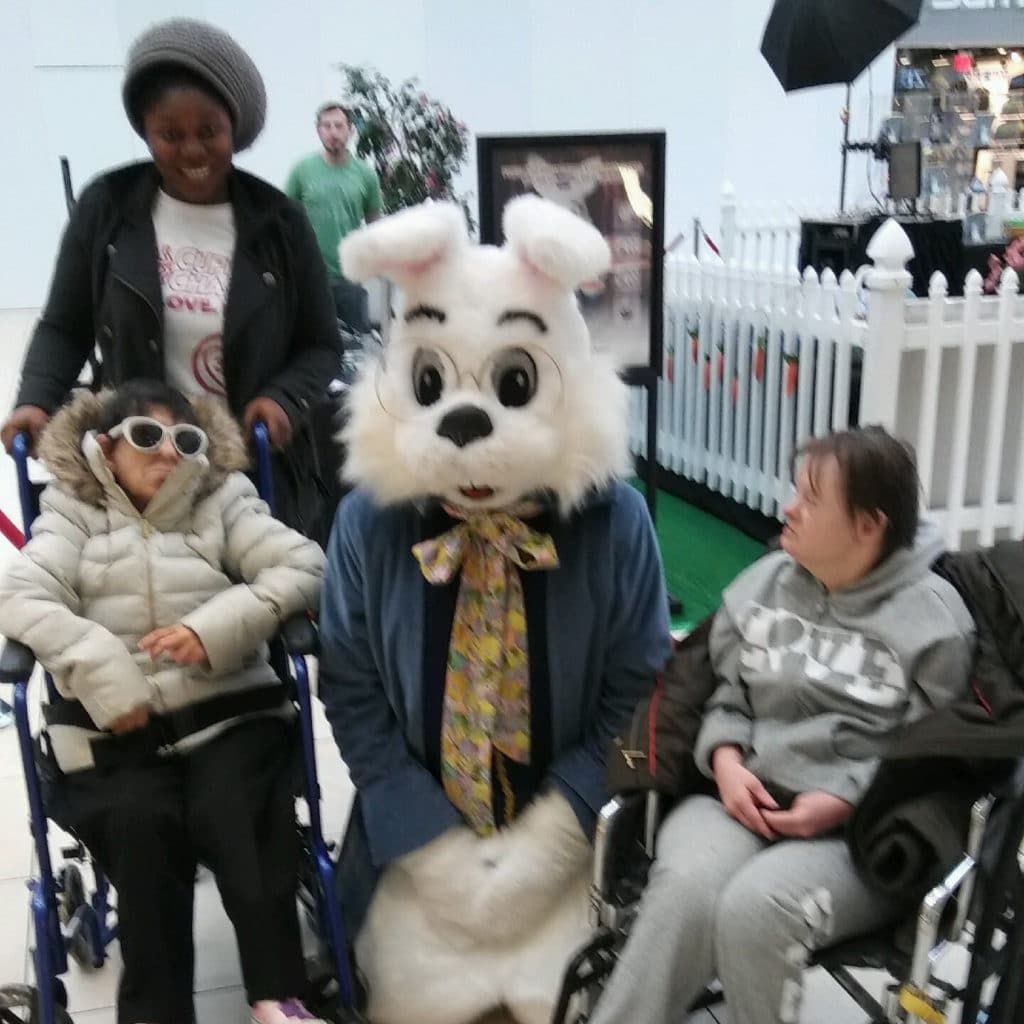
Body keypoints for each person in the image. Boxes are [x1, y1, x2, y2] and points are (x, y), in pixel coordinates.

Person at [589, 426, 976, 1024]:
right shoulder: (764, 585)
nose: (786, 509)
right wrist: (726, 763)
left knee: (756, 909)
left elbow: (930, 753)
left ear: (867, 525)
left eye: (810, 500)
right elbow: (721, 695)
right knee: (685, 893)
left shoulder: (935, 624)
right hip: (740, 794)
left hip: (859, 832)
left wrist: (844, 801)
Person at [0, 380, 327, 1024]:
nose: (167, 453)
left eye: (184, 439)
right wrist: (105, 674)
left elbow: (305, 565)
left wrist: (214, 629)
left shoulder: (224, 497)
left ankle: (277, 997)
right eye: (145, 437)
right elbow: (20, 596)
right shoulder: (71, 508)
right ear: (104, 447)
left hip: (228, 715)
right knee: (140, 831)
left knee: (240, 810)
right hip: (113, 733)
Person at [0, 18, 340, 542]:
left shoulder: (281, 224)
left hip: (248, 477)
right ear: (145, 132)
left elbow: (320, 345)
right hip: (135, 472)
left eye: (210, 131)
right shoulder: (106, 208)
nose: (193, 150)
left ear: (235, 127)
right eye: (170, 134)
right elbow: (65, 327)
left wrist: (283, 398)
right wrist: (34, 399)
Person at [285, 102, 382, 331]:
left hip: (349, 280)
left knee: (356, 352)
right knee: (309, 352)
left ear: (350, 130)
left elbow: (376, 227)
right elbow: (284, 219)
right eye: (326, 126)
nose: (333, 132)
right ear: (318, 130)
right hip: (309, 280)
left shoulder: (366, 174)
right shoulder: (302, 170)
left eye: (339, 126)